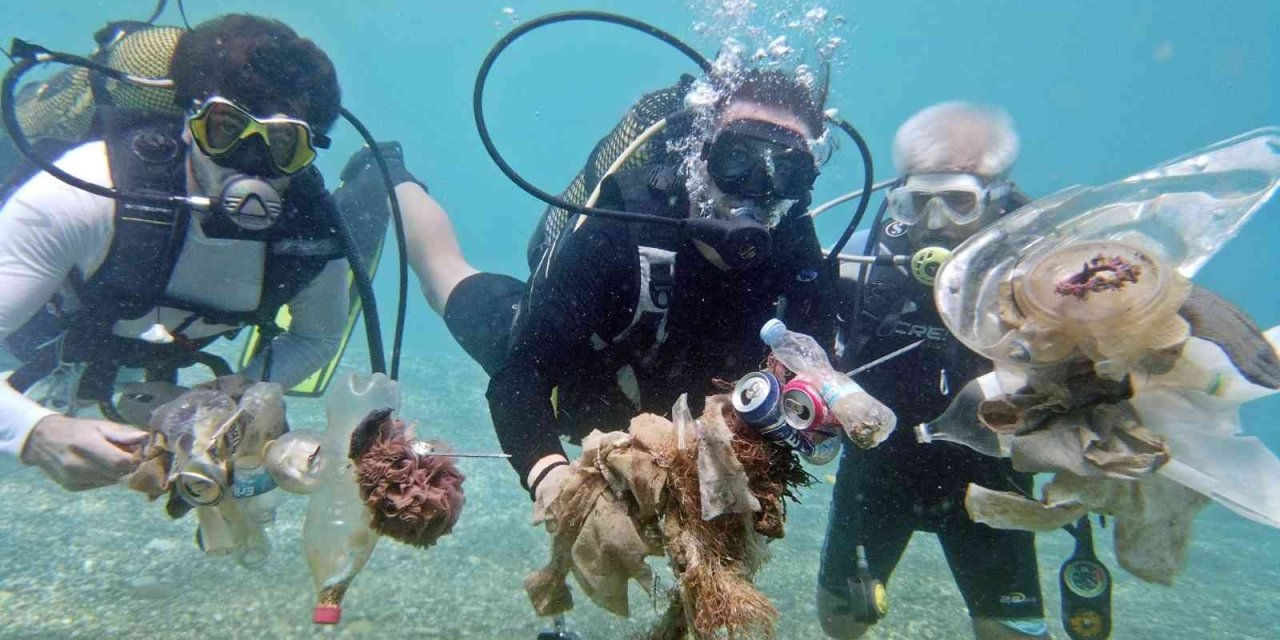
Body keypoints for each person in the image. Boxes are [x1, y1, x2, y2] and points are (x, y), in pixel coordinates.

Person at [404, 69, 834, 517]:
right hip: (576, 383)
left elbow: (814, 380)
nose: (758, 188)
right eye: (737, 159)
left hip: (674, 423)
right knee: (444, 273)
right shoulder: (623, 220)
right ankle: (397, 181)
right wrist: (555, 484)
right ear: (701, 154)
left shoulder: (800, 260)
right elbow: (521, 377)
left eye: (786, 171)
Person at [0, 14, 348, 492]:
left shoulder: (310, 235)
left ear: (309, 153)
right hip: (38, 331)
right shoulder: (86, 191)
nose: (252, 166)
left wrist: (237, 400)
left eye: (283, 144)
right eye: (225, 131)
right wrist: (36, 432)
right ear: (187, 123)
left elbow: (318, 337)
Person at [817, 102, 1050, 639]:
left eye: (960, 202)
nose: (936, 221)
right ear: (898, 199)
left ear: (997, 200)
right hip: (878, 469)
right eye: (920, 202)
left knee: (1008, 629)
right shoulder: (860, 262)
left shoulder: (1038, 281)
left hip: (995, 477)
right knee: (841, 617)